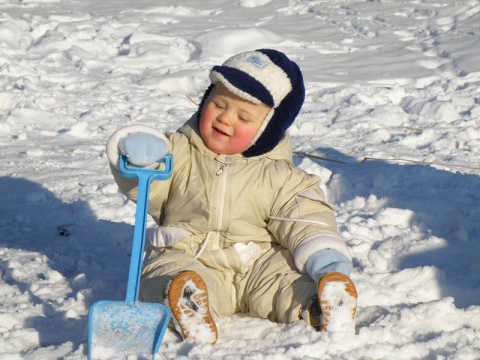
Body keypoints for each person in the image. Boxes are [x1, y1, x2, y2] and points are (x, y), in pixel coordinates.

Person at [106, 49, 357, 345]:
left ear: (267, 131)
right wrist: (140, 159)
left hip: (256, 261)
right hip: (189, 254)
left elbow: (305, 215)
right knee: (163, 276)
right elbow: (148, 184)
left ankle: (317, 308)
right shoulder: (180, 153)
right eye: (219, 104)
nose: (225, 118)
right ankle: (187, 306)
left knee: (283, 282)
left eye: (243, 116)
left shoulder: (279, 175)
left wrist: (324, 256)